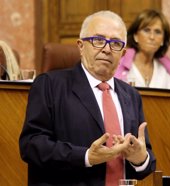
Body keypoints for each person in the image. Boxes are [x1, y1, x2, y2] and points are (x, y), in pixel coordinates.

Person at [19, 10, 156, 186]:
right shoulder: (50, 85)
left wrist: (140, 159)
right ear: (81, 46)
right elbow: (31, 146)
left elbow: (147, 161)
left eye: (115, 43)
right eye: (98, 40)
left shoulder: (131, 96)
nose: (107, 49)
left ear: (122, 54)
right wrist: (86, 157)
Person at [115, 9, 170, 90]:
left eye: (157, 32)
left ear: (162, 40)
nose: (152, 37)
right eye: (146, 30)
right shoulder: (118, 64)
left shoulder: (166, 71)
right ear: (136, 36)